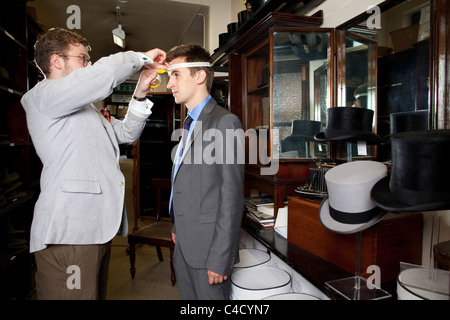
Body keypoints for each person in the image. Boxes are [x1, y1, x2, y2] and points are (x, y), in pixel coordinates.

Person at [20, 27, 167, 299]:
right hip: (70, 233)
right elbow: (99, 75)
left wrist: (140, 94)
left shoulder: (84, 107)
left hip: (93, 229)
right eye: (83, 58)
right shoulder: (44, 96)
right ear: (56, 61)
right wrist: (140, 57)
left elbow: (125, 134)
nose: (88, 64)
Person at [166, 44, 245, 300]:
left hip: (209, 251)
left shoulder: (224, 122)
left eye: (175, 75)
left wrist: (220, 258)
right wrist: (178, 223)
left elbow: (231, 196)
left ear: (199, 76)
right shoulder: (189, 123)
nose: (169, 84)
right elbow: (188, 182)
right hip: (185, 244)